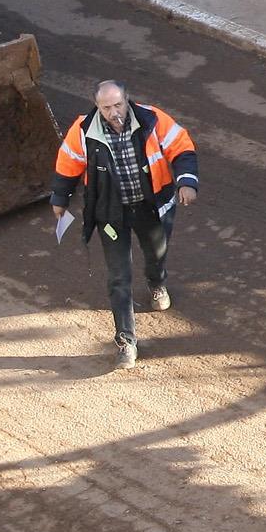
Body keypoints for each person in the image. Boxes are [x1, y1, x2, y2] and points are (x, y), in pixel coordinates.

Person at [50, 81, 199, 365]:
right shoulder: (83, 131)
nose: (113, 112)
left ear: (127, 101)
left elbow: (181, 146)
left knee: (156, 254)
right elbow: (68, 163)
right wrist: (60, 198)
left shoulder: (152, 119)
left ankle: (157, 283)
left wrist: (187, 181)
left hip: (150, 209)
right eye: (106, 107)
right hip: (110, 214)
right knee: (119, 276)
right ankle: (126, 341)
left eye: (118, 105)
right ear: (97, 107)